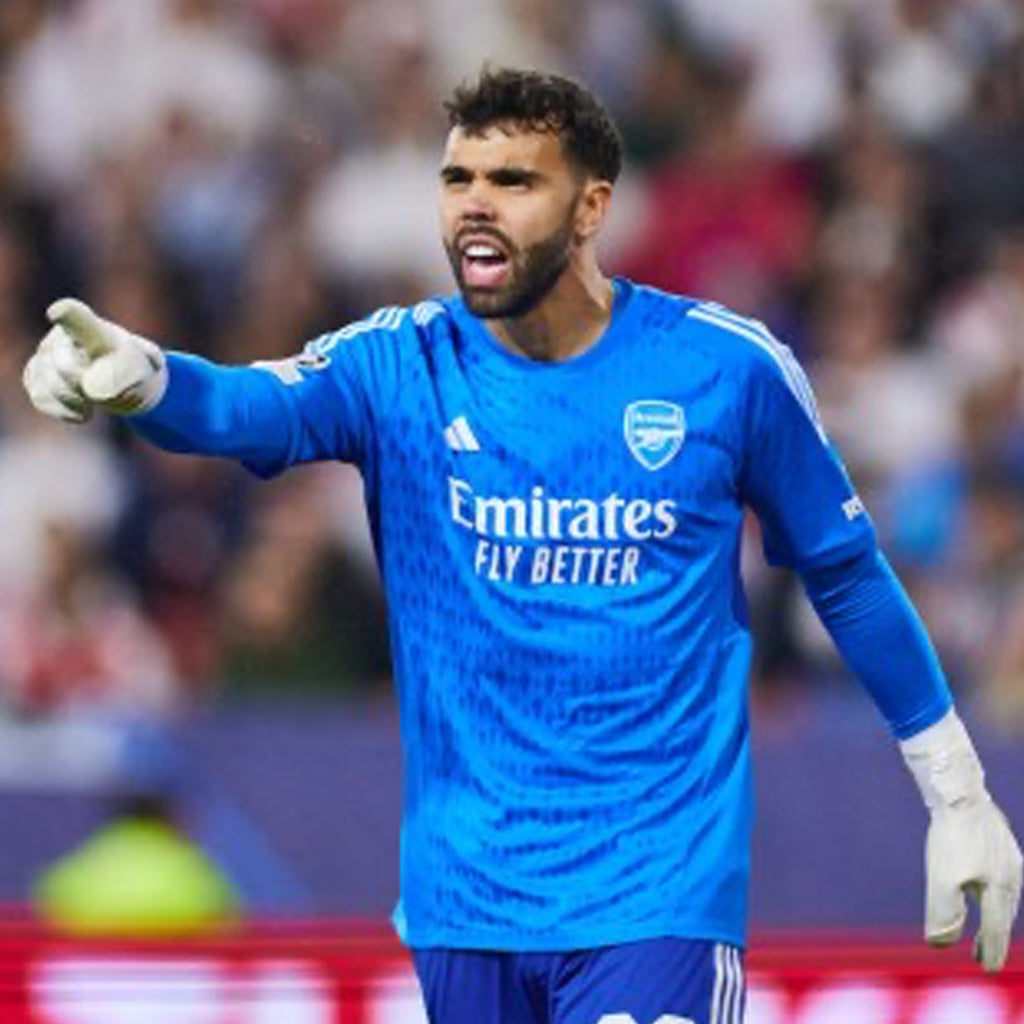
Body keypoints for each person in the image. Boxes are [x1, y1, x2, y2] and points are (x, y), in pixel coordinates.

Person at [22, 66, 1022, 1024]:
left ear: (590, 208)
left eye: (512, 181)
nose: (474, 205)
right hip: (466, 903)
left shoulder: (723, 369)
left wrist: (957, 792)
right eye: (457, 178)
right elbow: (247, 409)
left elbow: (847, 576)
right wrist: (148, 378)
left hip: (653, 892)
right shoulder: (400, 364)